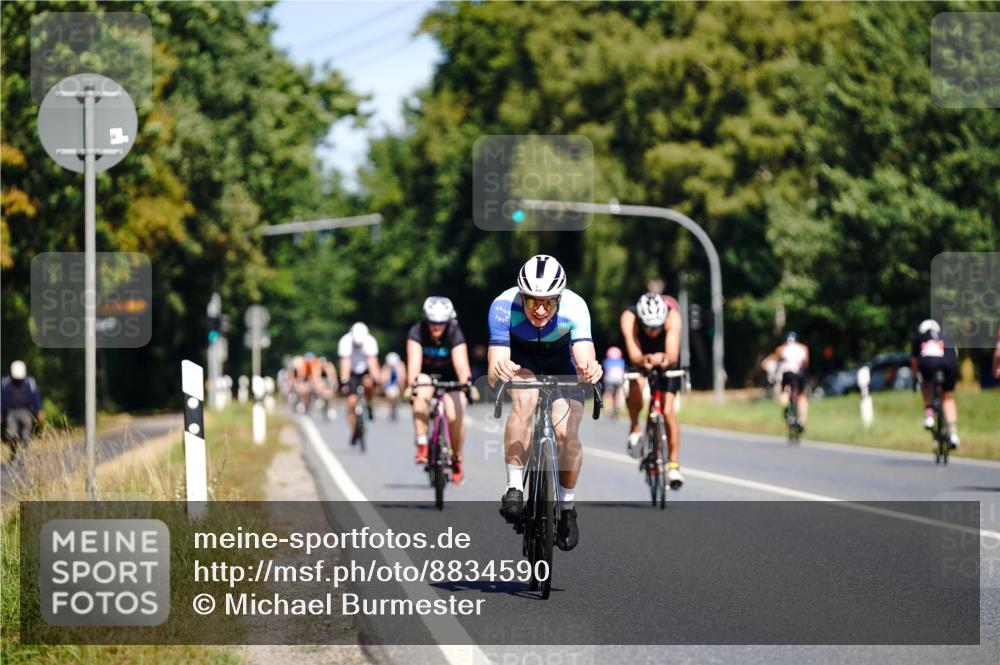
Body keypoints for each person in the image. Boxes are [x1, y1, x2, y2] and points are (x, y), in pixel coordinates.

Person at [488, 254, 603, 551]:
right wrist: (501, 371)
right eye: (532, 302)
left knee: (566, 434)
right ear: (521, 296)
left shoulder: (576, 307)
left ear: (560, 298)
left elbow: (584, 356)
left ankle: (566, 508)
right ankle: (514, 488)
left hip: (562, 362)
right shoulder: (503, 306)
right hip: (523, 361)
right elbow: (493, 373)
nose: (539, 310)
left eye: (549, 303)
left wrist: (590, 369)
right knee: (525, 401)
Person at [620, 293, 685, 489]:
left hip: (666, 358)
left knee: (667, 411)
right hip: (640, 357)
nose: (652, 332)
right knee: (636, 388)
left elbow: (672, 354)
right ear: (640, 320)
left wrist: (662, 359)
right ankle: (634, 426)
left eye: (657, 327)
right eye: (648, 327)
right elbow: (633, 353)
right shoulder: (628, 318)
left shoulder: (673, 316)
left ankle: (673, 464)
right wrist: (645, 361)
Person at [407, 297, 472, 484]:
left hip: (451, 378)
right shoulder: (417, 331)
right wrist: (412, 384)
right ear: (426, 320)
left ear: (448, 321)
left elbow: (461, 364)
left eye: (441, 324)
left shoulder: (454, 331)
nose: (436, 328)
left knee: (455, 415)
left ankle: (456, 458)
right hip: (427, 375)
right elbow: (414, 363)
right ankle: (421, 444)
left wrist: (466, 384)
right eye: (432, 323)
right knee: (420, 391)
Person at [910, 319, 960, 448]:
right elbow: (954, 356)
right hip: (949, 366)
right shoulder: (946, 336)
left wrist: (915, 378)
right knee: (948, 398)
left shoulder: (919, 337)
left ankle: (929, 415)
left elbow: (914, 360)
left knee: (926, 384)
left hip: (928, 365)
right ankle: (953, 434)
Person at [338, 322, 381, 444]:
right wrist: (344, 382)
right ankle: (354, 431)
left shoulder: (370, 341)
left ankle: (370, 403)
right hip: (351, 372)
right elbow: (345, 364)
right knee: (351, 402)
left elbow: (373, 364)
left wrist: (376, 380)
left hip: (365, 370)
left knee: (368, 383)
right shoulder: (345, 341)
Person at [762, 331, 810, 431]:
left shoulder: (781, 348)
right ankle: (802, 421)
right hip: (799, 374)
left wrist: (766, 363)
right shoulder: (803, 348)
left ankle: (786, 409)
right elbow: (805, 363)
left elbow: (771, 360)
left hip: (787, 374)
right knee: (801, 396)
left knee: (785, 391)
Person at [2, 360, 44, 457]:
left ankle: (24, 454)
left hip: (26, 411)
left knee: (26, 435)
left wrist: (39, 410)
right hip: (11, 412)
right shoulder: (5, 382)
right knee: (11, 434)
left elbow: (35, 396)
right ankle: (13, 452)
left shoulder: (30, 381)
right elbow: (2, 398)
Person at [602, 346, 626, 418]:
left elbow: (605, 370)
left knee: (608, 394)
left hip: (609, 380)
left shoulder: (607, 361)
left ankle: (609, 409)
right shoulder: (622, 361)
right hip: (619, 380)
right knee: (618, 394)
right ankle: (617, 407)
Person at [381, 352, 405, 421]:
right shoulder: (386, 367)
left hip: (397, 385)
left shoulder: (401, 365)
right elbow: (383, 379)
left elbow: (403, 378)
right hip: (390, 384)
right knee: (390, 395)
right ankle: (392, 407)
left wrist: (398, 375)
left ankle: (396, 403)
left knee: (395, 394)